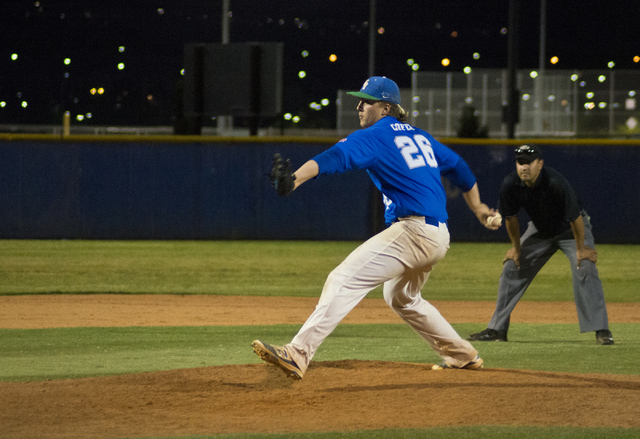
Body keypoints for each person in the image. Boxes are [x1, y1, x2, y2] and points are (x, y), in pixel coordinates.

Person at [252, 76, 501, 380]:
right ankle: (463, 356)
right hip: (438, 235)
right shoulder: (420, 136)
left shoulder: (377, 134)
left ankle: (298, 353)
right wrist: (478, 209)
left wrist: (296, 179)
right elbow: (459, 168)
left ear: (385, 108)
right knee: (401, 297)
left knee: (343, 278)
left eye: (366, 100)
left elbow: (336, 158)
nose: (359, 105)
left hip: (415, 231)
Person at [468, 144, 614, 345]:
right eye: (520, 163)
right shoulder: (510, 184)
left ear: (540, 164)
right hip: (540, 230)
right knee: (512, 267)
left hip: (571, 230)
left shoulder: (555, 182)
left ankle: (601, 329)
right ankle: (497, 329)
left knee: (585, 266)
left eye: (529, 162)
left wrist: (581, 249)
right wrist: (517, 249)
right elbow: (511, 219)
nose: (524, 167)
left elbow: (575, 218)